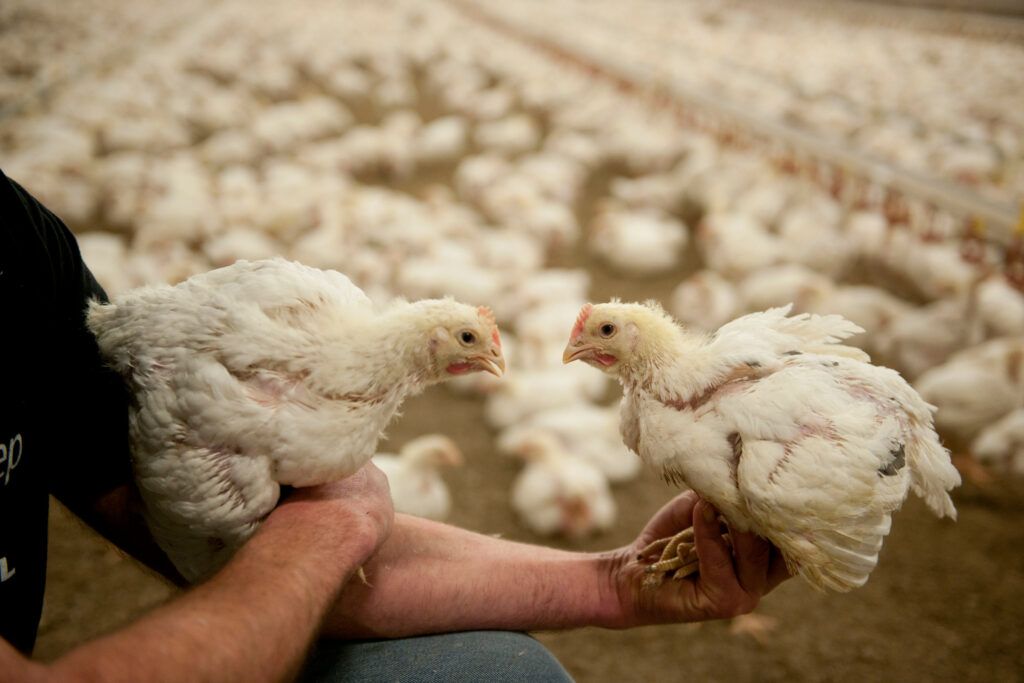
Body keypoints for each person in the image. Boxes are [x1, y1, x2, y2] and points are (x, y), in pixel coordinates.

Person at [0, 168, 790, 682]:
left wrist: (615, 579)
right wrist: (332, 528)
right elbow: (290, 552)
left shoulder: (21, 249)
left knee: (512, 674)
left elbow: (281, 558)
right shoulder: (257, 423)